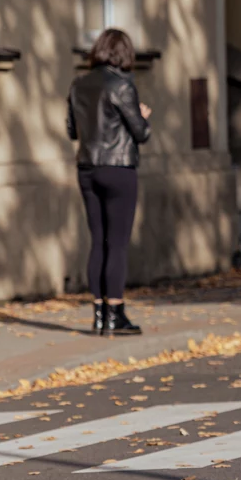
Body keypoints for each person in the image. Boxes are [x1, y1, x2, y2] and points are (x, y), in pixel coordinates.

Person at [66, 28, 151, 335]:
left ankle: (99, 315)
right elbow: (140, 132)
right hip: (118, 169)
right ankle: (115, 312)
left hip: (87, 168)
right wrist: (143, 116)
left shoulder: (78, 84)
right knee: (116, 243)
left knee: (98, 241)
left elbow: (72, 131)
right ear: (124, 53)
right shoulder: (123, 85)